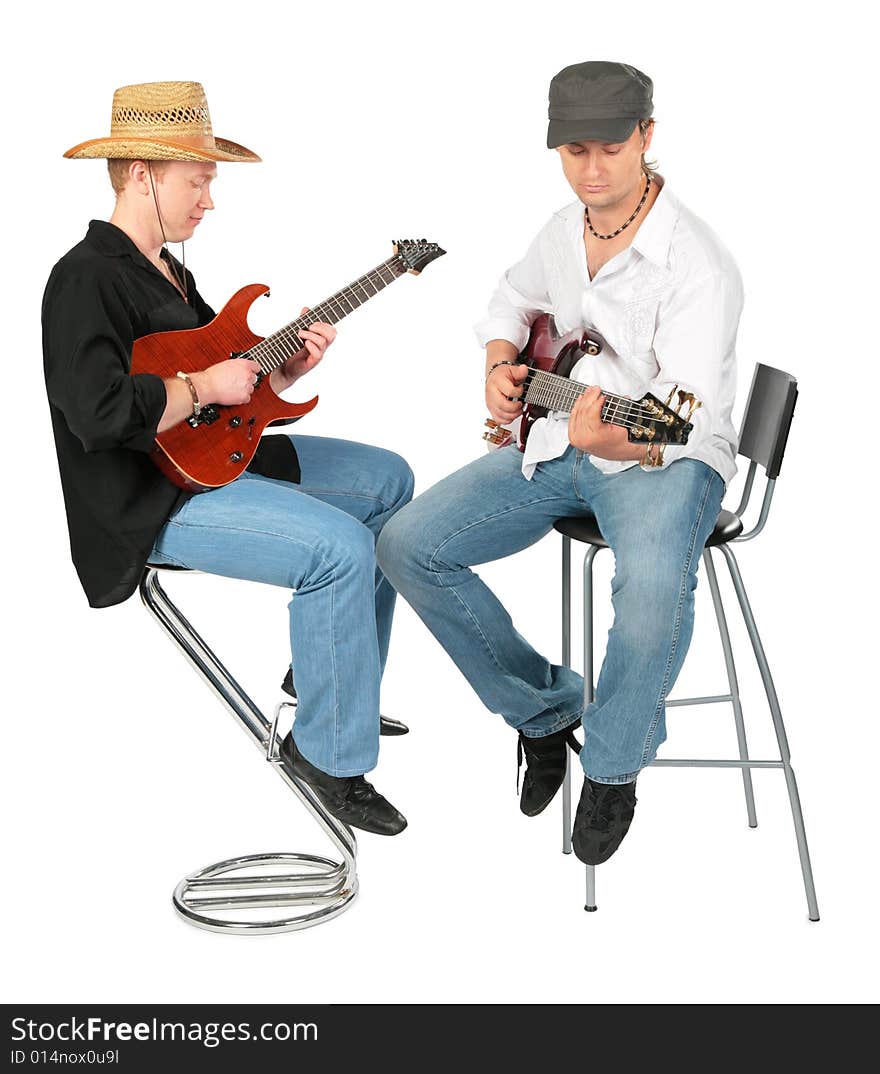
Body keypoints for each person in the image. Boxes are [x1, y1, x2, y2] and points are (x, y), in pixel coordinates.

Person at [377, 61, 743, 864]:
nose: (592, 168)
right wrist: (502, 367)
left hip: (661, 460)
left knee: (648, 594)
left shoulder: (697, 265)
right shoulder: (561, 229)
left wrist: (597, 434)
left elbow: (674, 419)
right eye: (573, 150)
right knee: (407, 545)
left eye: (610, 147)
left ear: (647, 136)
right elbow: (508, 301)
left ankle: (612, 767)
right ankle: (544, 711)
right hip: (559, 441)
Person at [43, 81, 412, 835]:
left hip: (215, 460)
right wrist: (198, 382)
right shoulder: (83, 277)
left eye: (210, 182)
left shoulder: (170, 274)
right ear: (141, 174)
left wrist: (283, 374)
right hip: (150, 501)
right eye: (198, 180)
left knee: (389, 481)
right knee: (341, 547)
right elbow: (98, 412)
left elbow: (231, 397)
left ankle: (330, 684)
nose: (209, 199)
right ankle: (329, 755)